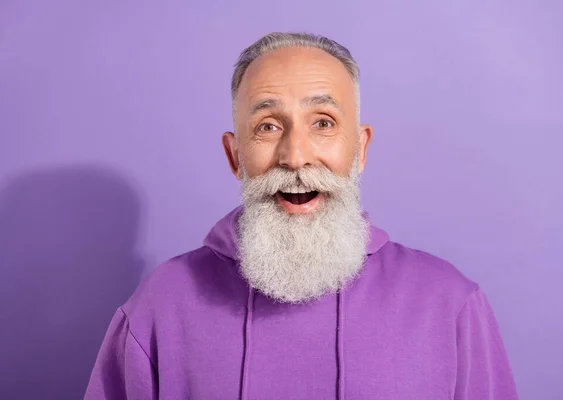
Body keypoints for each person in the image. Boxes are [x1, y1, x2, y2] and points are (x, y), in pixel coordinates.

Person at [85, 32, 519, 399]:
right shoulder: (161, 304)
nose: (295, 157)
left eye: (323, 123)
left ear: (360, 149)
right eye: (268, 126)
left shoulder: (449, 304)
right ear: (235, 156)